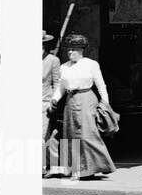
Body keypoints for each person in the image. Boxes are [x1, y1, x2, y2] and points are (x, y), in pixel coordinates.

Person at [52, 33, 116, 181]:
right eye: (69, 49)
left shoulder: (91, 64)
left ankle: (94, 167)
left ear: (81, 50)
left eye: (73, 49)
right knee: (71, 135)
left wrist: (105, 102)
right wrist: (55, 99)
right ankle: (75, 170)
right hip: (70, 100)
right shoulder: (64, 67)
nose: (70, 52)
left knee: (88, 135)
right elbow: (61, 87)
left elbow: (101, 84)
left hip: (87, 98)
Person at [42, 32, 61, 178]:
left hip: (45, 103)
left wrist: (53, 101)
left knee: (42, 136)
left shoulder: (53, 60)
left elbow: (57, 83)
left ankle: (43, 167)